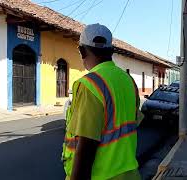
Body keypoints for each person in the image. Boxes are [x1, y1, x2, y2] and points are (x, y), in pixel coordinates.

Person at [62, 23, 143, 180]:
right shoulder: (129, 81)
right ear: (111, 51)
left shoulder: (89, 85)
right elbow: (132, 124)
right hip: (130, 174)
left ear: (82, 51)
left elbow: (85, 147)